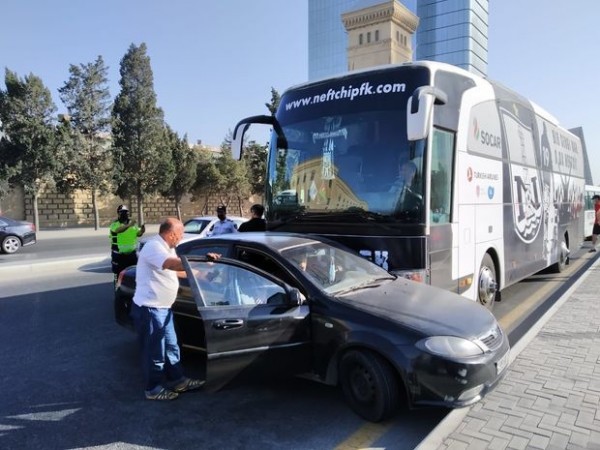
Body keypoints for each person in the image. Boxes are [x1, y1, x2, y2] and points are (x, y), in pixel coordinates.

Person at [131, 217, 220, 401]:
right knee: (155, 352)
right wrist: (201, 260)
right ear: (171, 234)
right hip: (151, 309)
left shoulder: (167, 248)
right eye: (180, 235)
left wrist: (203, 276)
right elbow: (171, 264)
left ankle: (178, 381)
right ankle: (153, 389)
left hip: (163, 309)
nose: (180, 238)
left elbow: (177, 269)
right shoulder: (153, 247)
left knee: (172, 347)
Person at [110, 205, 145, 282]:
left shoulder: (133, 225)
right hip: (119, 255)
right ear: (118, 214)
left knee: (134, 273)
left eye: (126, 212)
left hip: (132, 254)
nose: (124, 214)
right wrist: (129, 225)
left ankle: (133, 288)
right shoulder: (115, 224)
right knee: (118, 274)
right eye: (122, 212)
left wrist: (142, 230)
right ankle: (117, 288)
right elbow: (118, 230)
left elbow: (138, 234)